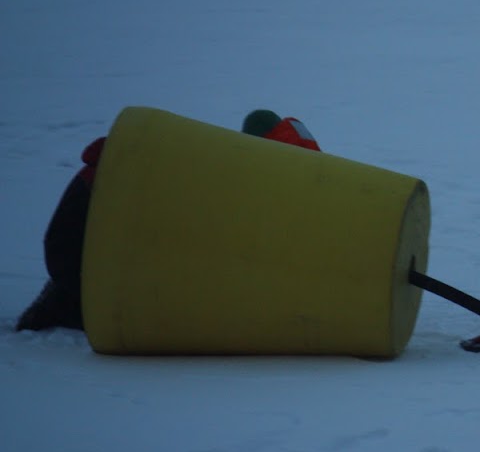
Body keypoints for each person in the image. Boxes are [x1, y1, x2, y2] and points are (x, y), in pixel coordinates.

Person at [15, 110, 320, 332]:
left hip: (80, 249)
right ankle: (63, 306)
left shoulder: (265, 165)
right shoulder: (301, 158)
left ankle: (62, 305)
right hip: (83, 253)